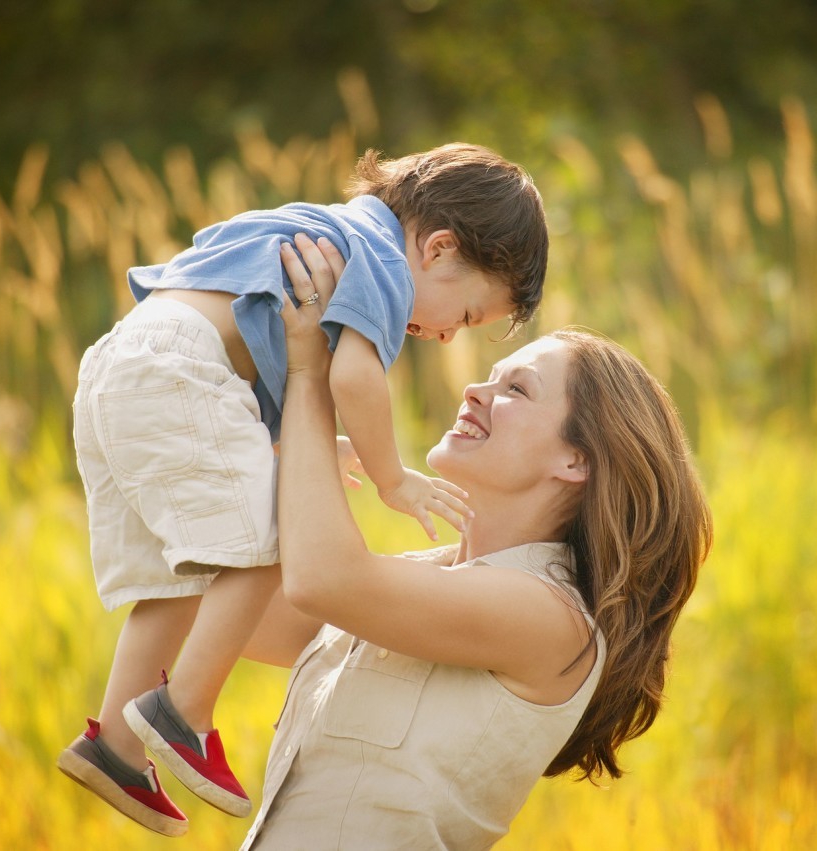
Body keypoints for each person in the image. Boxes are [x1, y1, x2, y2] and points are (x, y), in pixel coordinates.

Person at [58, 144, 550, 836]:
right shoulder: (380, 264)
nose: (445, 336)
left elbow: (238, 326)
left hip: (124, 363)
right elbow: (351, 378)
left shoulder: (318, 225)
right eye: (465, 315)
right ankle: (184, 711)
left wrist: (298, 440)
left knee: (177, 580)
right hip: (179, 369)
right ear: (437, 249)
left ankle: (114, 745)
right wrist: (391, 477)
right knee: (272, 534)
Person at [233, 237, 712, 849]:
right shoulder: (418, 580)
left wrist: (307, 376)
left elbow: (323, 580)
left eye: (517, 390)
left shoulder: (552, 618)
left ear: (576, 460)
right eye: (489, 379)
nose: (475, 394)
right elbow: (213, 606)